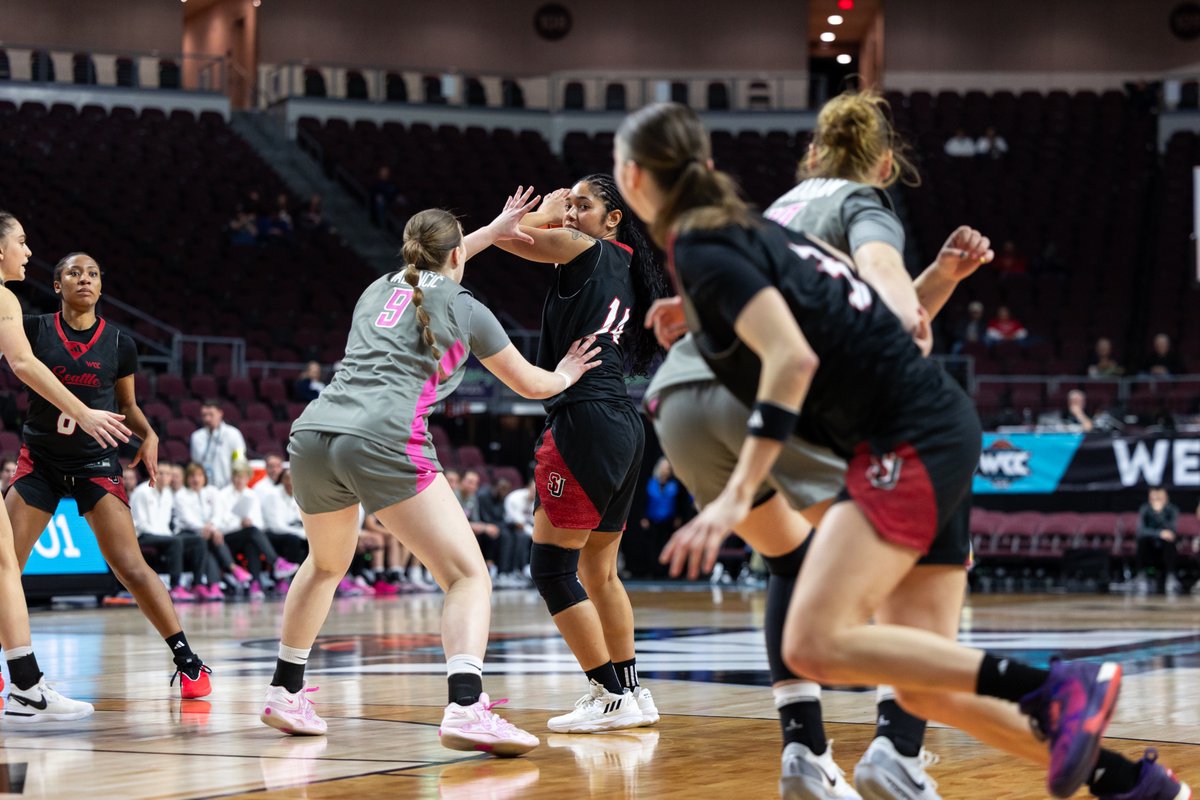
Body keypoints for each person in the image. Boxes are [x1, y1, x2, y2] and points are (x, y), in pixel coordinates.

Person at [616, 102, 1186, 800]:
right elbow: (832, 297)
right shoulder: (741, 228)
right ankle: (1131, 783)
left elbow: (797, 354)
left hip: (905, 435)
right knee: (927, 686)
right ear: (705, 169)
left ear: (631, 177)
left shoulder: (718, 239)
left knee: (811, 641)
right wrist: (703, 312)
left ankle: (1056, 683)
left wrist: (736, 495)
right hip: (930, 423)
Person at [644, 89, 997, 797]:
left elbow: (842, 306)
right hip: (778, 388)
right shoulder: (863, 201)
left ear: (810, 155)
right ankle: (898, 744)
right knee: (920, 542)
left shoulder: (775, 209)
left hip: (679, 399)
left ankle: (803, 747)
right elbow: (880, 287)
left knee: (789, 560)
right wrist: (911, 297)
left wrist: (939, 283)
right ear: (885, 164)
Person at [261, 190, 600, 758]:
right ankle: (467, 706)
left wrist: (492, 230)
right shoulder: (468, 309)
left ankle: (285, 690)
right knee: (468, 576)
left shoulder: (377, 289)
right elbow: (530, 385)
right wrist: (565, 372)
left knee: (323, 565)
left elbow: (433, 267)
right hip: (385, 438)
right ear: (456, 257)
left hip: (314, 435)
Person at [488, 173, 672, 733]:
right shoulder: (618, 262)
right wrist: (562, 209)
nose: (570, 214)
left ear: (613, 218)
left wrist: (545, 208)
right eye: (569, 205)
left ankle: (606, 693)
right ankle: (632, 691)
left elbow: (503, 236)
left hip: (585, 419)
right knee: (600, 571)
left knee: (550, 567)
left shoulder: (587, 248)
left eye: (582, 205)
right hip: (621, 419)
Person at [4, 251, 213, 701]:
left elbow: (128, 405)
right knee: (5, 568)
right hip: (40, 460)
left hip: (95, 463)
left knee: (131, 566)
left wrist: (149, 433)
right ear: (57, 285)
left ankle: (188, 661)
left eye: (93, 273)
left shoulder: (119, 343)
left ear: (101, 286)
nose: (85, 279)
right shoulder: (35, 329)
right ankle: (15, 670)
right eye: (74, 273)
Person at [0, 213, 131, 721]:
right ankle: (27, 687)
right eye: (21, 242)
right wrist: (82, 410)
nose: (27, 252)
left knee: (5, 561)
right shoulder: (5, 297)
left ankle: (26, 685)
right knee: (5, 563)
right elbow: (26, 364)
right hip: (50, 453)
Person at [130, 460, 207, 602]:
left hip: (164, 535)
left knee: (199, 540)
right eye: (161, 473)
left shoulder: (168, 493)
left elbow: (166, 524)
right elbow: (139, 523)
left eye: (168, 474)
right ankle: (176, 586)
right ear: (153, 473)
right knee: (175, 541)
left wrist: (168, 535)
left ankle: (197, 584)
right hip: (142, 535)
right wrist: (167, 536)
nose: (165, 477)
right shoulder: (142, 492)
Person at [217, 463, 294, 598]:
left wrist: (248, 523)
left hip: (247, 534)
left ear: (248, 478)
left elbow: (259, 523)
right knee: (252, 533)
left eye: (243, 477)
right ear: (232, 477)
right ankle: (276, 562)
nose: (239, 480)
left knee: (252, 542)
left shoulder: (251, 495)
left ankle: (255, 583)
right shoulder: (222, 495)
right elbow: (219, 524)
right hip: (227, 537)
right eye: (236, 477)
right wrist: (239, 524)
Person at [174, 462, 240, 600]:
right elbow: (187, 519)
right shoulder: (182, 495)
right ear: (187, 478)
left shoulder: (212, 491)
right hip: (187, 534)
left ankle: (213, 586)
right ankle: (232, 568)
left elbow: (218, 513)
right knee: (205, 540)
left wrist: (212, 528)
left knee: (208, 544)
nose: (196, 479)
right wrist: (207, 528)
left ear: (204, 477)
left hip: (208, 533)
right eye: (192, 476)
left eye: (199, 475)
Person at [633, 458, 683, 578]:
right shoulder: (650, 482)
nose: (665, 470)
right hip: (652, 520)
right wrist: (643, 517)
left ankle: (666, 571)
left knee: (666, 545)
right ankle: (652, 569)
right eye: (663, 467)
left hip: (669, 521)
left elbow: (680, 502)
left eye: (667, 468)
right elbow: (642, 501)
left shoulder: (675, 484)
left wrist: (678, 517)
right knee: (651, 546)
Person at [190, 400, 246, 490]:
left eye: (211, 415)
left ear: (220, 413)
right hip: (205, 487)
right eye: (204, 415)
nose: (207, 419)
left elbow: (239, 460)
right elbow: (196, 464)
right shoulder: (196, 437)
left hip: (228, 487)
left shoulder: (233, 434)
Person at [1135, 487, 1181, 596]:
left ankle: (1171, 577)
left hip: (1166, 548)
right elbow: (1140, 531)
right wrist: (1159, 533)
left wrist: (1160, 514)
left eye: (1159, 498)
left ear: (1166, 498)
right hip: (1149, 546)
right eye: (1153, 498)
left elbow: (1172, 530)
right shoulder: (1145, 509)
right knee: (1142, 541)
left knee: (1169, 540)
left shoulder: (1172, 510)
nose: (1156, 501)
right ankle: (1141, 576)